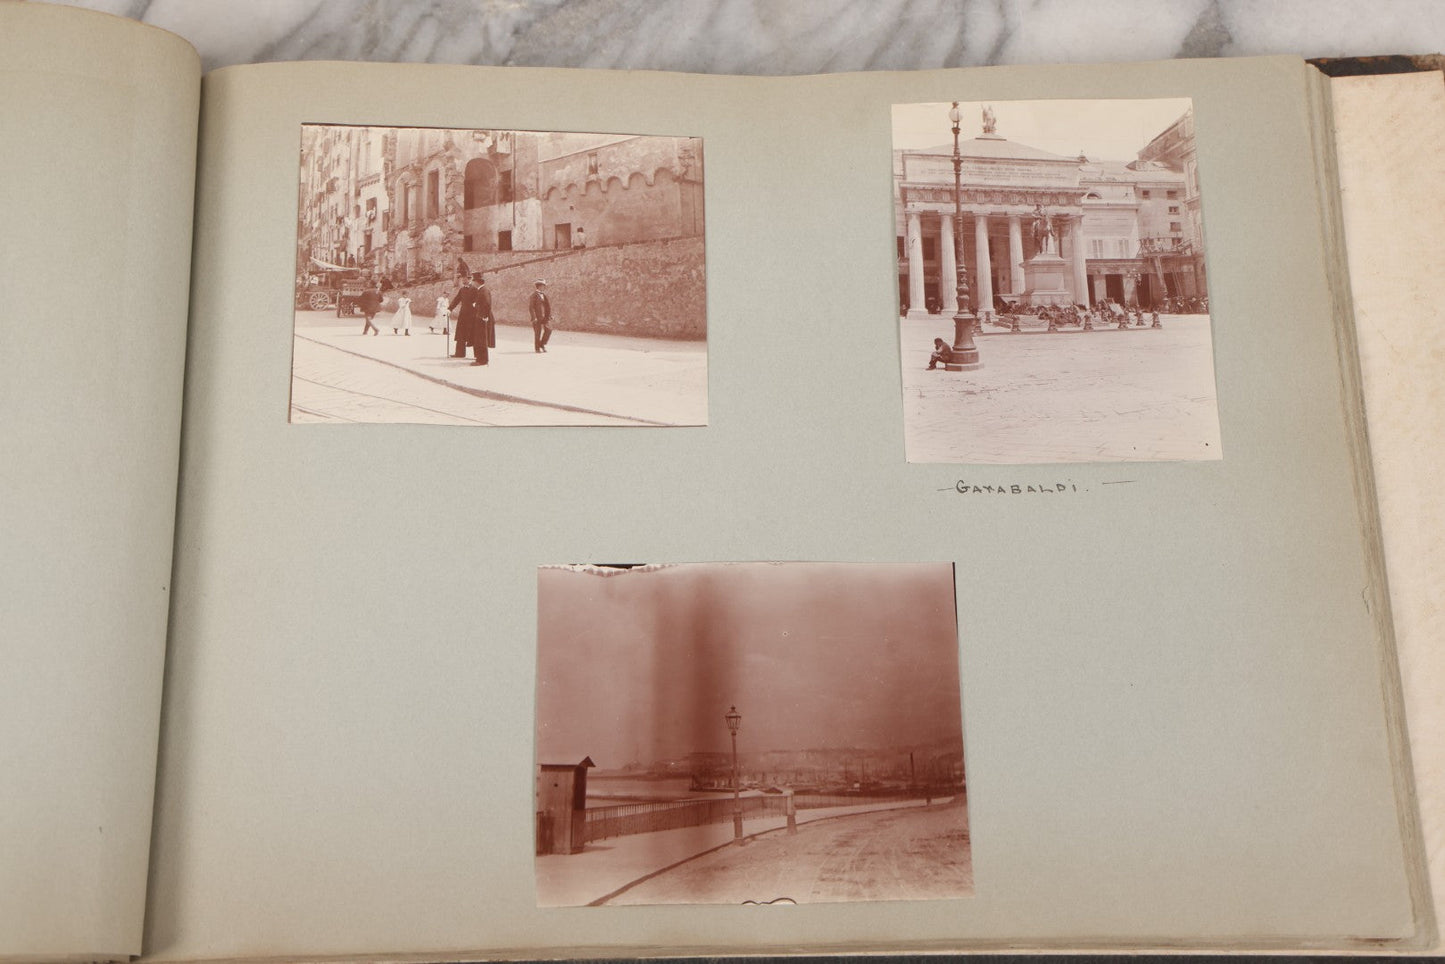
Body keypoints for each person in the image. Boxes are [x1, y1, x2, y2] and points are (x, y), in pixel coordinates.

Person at [448, 273, 479, 361]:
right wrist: (449, 309)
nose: (463, 281)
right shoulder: (462, 290)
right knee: (460, 333)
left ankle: (477, 355)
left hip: (472, 315)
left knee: (473, 334)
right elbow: (456, 300)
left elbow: (478, 300)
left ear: (470, 279)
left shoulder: (475, 289)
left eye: (465, 279)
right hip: (463, 315)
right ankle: (460, 353)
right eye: (462, 279)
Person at [529, 279, 553, 353]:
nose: (544, 287)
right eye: (543, 286)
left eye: (544, 286)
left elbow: (547, 306)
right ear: (538, 286)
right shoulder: (533, 295)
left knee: (549, 330)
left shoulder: (544, 295)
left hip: (545, 317)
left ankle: (542, 344)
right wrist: (534, 317)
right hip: (537, 317)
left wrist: (550, 315)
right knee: (537, 333)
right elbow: (531, 307)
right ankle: (537, 348)